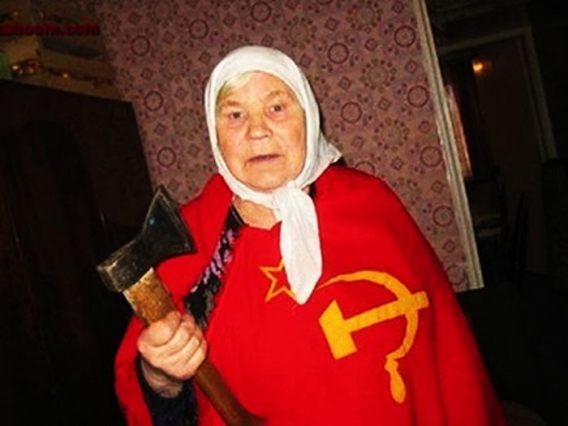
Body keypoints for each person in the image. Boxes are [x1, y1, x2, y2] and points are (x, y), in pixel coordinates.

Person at [114, 45, 505, 425]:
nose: (257, 131)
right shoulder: (189, 235)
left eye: (277, 108)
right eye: (234, 114)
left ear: (308, 115)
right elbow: (151, 395)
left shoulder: (371, 203)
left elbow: (446, 349)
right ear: (215, 134)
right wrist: (161, 377)